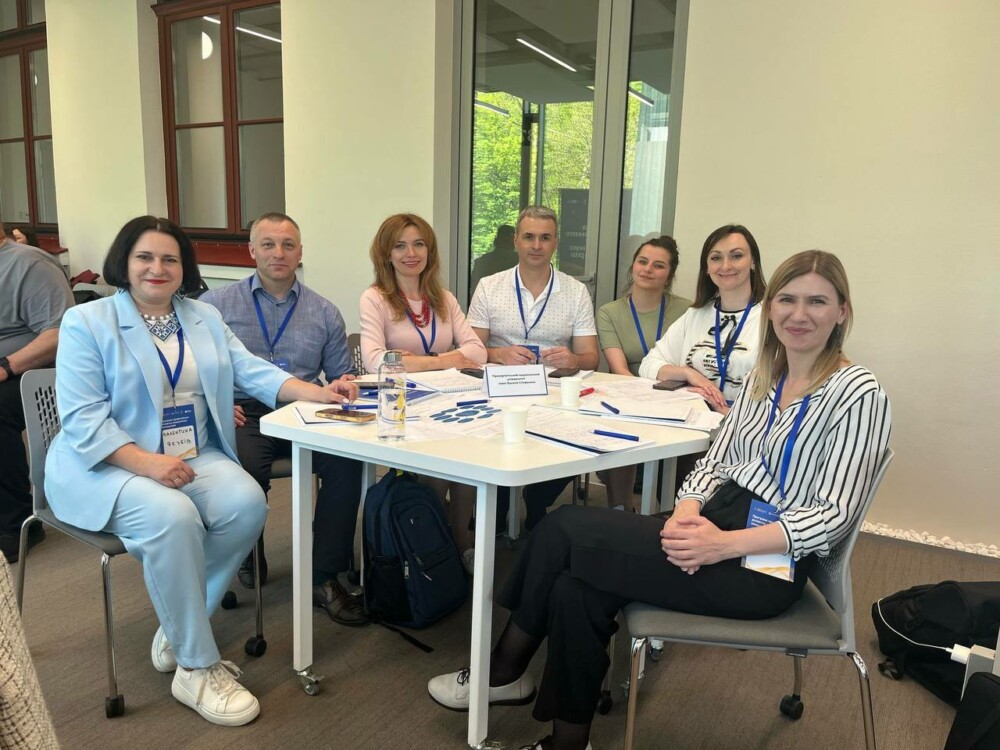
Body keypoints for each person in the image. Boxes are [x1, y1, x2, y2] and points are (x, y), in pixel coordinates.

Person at [428, 250, 892, 750]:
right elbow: (717, 461)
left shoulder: (858, 392)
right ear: (771, 307)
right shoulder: (768, 374)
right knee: (572, 590)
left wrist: (723, 545)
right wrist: (687, 509)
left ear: (842, 312)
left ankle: (502, 670)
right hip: (715, 518)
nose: (799, 314)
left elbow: (832, 516)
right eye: (788, 300)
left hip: (766, 561)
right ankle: (567, 741)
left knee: (561, 528)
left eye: (817, 302)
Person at [45, 216, 361, 727]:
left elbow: (252, 371)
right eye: (145, 257)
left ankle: (179, 624)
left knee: (247, 503)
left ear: (184, 267)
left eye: (169, 258)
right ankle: (195, 666)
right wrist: (146, 462)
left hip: (188, 452)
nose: (157, 268)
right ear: (124, 262)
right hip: (104, 461)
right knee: (174, 517)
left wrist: (318, 392)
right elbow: (84, 420)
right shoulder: (88, 322)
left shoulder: (203, 317)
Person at [199, 212, 367, 626]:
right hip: (245, 411)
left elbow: (340, 374)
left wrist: (345, 383)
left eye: (288, 245)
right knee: (245, 468)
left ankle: (323, 575)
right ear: (251, 251)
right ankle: (246, 551)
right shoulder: (214, 306)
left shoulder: (324, 311)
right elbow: (194, 370)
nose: (279, 253)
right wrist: (215, 402)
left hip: (305, 409)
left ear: (300, 252)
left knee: (347, 462)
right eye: (269, 244)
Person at [359, 213, 486, 572]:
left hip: (450, 400)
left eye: (418, 244)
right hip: (404, 406)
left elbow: (477, 352)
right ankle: (431, 543)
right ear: (386, 254)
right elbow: (375, 360)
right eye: (400, 246)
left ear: (429, 251)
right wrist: (445, 360)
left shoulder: (443, 299)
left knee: (470, 455)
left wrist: (416, 360)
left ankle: (458, 540)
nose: (410, 253)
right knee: (443, 457)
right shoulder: (375, 298)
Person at [467, 205, 600, 530]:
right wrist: (499, 354)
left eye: (545, 238)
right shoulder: (489, 286)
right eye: (529, 237)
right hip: (501, 388)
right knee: (490, 438)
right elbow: (471, 352)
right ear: (516, 240)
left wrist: (573, 360)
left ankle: (538, 498)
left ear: (556, 243)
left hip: (553, 390)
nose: (536, 245)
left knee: (577, 435)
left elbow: (591, 358)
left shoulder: (575, 291)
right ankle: (497, 506)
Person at [595, 236, 691, 508]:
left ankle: (674, 508)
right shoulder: (609, 312)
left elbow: (688, 363)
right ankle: (621, 507)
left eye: (658, 265)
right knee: (619, 427)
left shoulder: (687, 310)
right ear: (633, 266)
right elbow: (619, 369)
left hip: (674, 395)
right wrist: (644, 399)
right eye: (643, 262)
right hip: (628, 394)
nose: (648, 269)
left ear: (669, 274)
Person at [0, 220, 73, 562]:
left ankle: (15, 524)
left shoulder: (29, 264)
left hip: (41, 376)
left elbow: (59, 335)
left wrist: (5, 366)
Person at [639, 224, 766, 415]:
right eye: (716, 258)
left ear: (753, 262)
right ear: (707, 268)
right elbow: (648, 365)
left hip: (746, 426)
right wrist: (688, 374)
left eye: (736, 256)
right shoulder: (695, 315)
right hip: (693, 422)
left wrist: (724, 412)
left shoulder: (772, 317)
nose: (725, 265)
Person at [470, 223, 517, 294]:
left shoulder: (481, 261)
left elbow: (474, 289)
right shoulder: (521, 261)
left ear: (496, 240)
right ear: (514, 241)